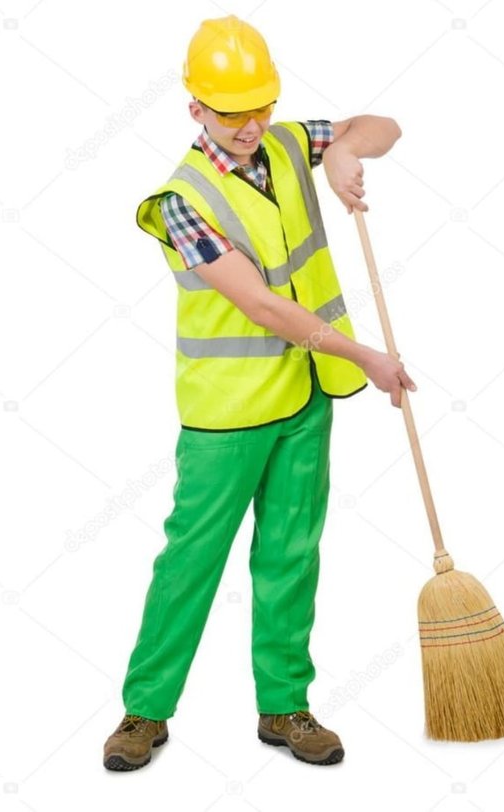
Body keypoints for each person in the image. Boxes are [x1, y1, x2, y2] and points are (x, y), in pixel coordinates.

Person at [103, 14, 417, 772]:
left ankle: (285, 706)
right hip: (228, 413)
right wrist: (366, 356)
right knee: (192, 562)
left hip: (304, 399)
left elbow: (386, 125)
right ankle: (144, 711)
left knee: (291, 555)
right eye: (231, 112)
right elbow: (262, 306)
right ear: (195, 107)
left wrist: (342, 151)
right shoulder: (180, 201)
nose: (250, 126)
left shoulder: (284, 142)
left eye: (261, 106)